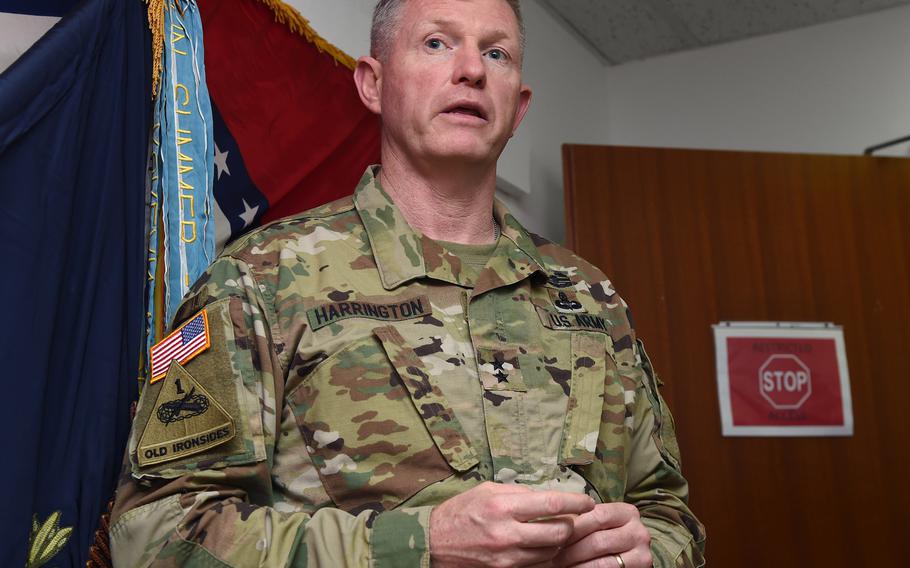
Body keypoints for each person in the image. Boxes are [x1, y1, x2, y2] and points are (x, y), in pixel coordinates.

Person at [110, 0, 706, 566]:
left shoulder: (589, 296)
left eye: (496, 53)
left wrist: (644, 552)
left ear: (519, 106)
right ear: (373, 83)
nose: (471, 69)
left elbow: (668, 513)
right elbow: (155, 534)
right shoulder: (256, 280)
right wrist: (420, 545)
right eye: (437, 43)